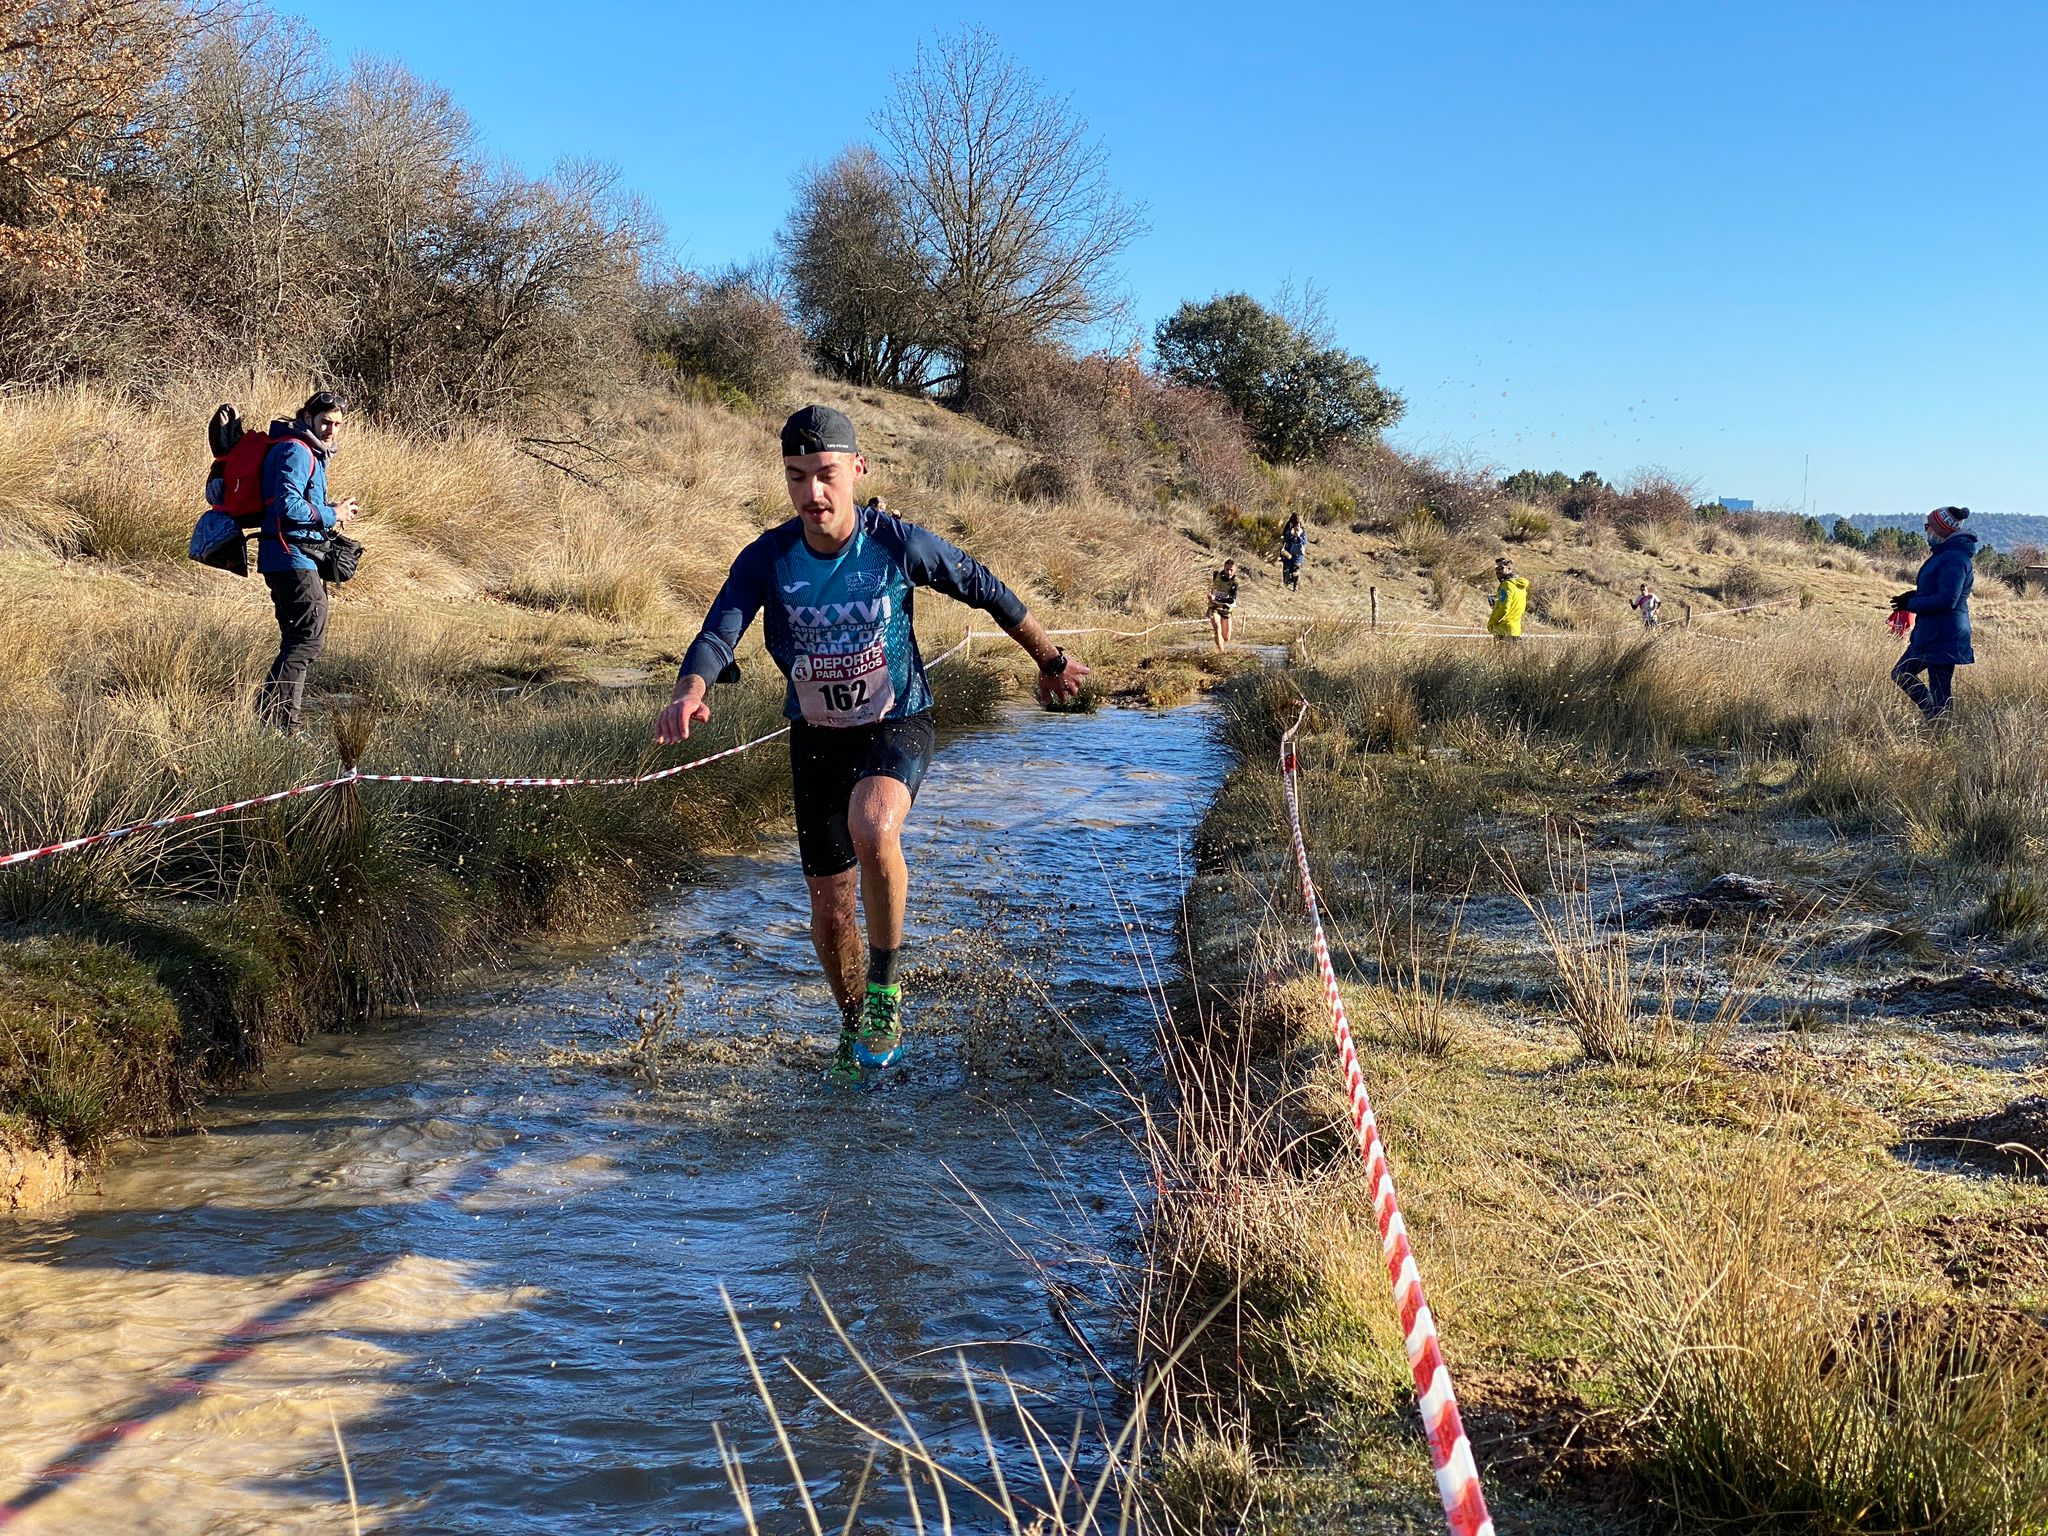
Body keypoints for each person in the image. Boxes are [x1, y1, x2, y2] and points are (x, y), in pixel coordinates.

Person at [656, 405, 1090, 1087]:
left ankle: (885, 987)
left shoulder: (894, 544)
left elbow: (984, 586)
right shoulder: (768, 558)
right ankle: (856, 1023)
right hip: (817, 740)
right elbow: (718, 632)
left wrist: (1051, 657)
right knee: (829, 909)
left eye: (825, 475)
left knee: (873, 823)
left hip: (897, 722)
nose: (812, 494)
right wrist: (690, 690)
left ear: (856, 470)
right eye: (796, 478)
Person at [255, 390, 357, 732]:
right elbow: (287, 505)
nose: (331, 430)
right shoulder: (296, 450)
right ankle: (283, 725)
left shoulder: (309, 450)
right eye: (325, 422)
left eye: (337, 424)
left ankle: (272, 722)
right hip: (291, 557)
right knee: (308, 638)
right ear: (309, 417)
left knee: (297, 639)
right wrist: (332, 513)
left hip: (290, 556)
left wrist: (333, 510)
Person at [1891, 505, 1977, 722]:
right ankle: (1937, 720)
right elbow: (1936, 591)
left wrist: (1912, 603)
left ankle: (1939, 724)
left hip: (1944, 635)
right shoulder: (1946, 555)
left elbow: (1948, 600)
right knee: (1904, 674)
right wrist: (1912, 597)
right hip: (1932, 634)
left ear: (1941, 529)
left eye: (1929, 526)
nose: (1926, 530)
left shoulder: (1955, 559)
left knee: (1936, 689)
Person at [1487, 556, 1528, 639]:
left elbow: (1504, 608)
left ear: (1509, 569)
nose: (1497, 571)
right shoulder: (1520, 586)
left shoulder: (1506, 585)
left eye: (1501, 568)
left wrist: (1491, 623)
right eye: (1496, 568)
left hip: (1503, 629)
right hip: (1515, 629)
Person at [1208, 559, 1240, 650]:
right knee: (1217, 629)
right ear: (1224, 568)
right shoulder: (1216, 575)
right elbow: (1207, 583)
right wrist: (1210, 595)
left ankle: (1217, 648)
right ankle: (1221, 654)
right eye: (1227, 569)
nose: (1229, 572)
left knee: (1226, 638)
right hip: (1214, 607)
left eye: (1231, 570)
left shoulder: (1235, 583)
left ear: (1235, 571)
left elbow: (1231, 600)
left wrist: (1216, 598)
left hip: (1226, 609)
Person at [1278, 513, 1307, 592]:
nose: (1297, 524)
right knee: (1286, 569)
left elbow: (1304, 543)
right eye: (1296, 522)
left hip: (1298, 554)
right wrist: (1291, 535)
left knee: (1296, 569)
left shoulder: (1302, 531)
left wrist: (1298, 537)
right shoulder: (1288, 528)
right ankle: (1287, 582)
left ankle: (1295, 586)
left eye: (1299, 523)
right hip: (1288, 553)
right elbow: (1284, 539)